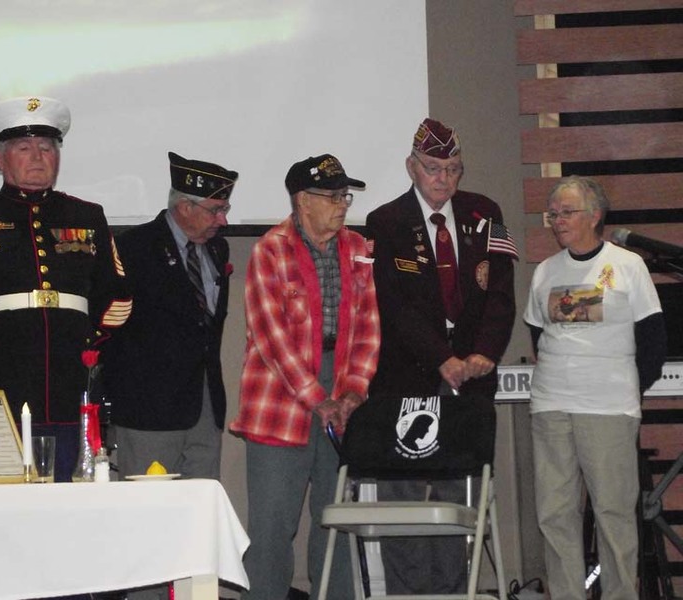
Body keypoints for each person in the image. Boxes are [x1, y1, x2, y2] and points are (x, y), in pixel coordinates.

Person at [0, 96, 132, 482]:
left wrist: (88, 345)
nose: (38, 157)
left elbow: (118, 298)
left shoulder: (87, 216)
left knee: (70, 501)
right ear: (0, 160)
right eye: (24, 148)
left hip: (71, 385)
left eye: (47, 148)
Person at [365, 118, 517, 594]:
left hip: (469, 379)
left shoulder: (484, 213)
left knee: (458, 494)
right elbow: (393, 305)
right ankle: (409, 594)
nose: (443, 180)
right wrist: (440, 359)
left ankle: (453, 592)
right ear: (412, 167)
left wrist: (483, 354)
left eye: (453, 170)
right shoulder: (385, 221)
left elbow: (501, 296)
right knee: (405, 496)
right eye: (433, 168)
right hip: (408, 376)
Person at [230, 154, 380, 600]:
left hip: (341, 391)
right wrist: (318, 398)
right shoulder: (269, 249)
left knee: (335, 521)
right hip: (281, 399)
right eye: (332, 196)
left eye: (344, 196)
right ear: (302, 201)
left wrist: (354, 391)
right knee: (273, 529)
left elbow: (369, 325)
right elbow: (271, 337)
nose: (342, 205)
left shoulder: (357, 248)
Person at [524, 175, 666, 600]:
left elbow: (653, 340)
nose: (558, 221)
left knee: (613, 513)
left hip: (608, 407)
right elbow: (536, 334)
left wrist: (624, 388)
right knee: (555, 513)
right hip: (551, 405)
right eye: (553, 214)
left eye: (567, 212)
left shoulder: (628, 265)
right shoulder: (546, 271)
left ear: (595, 215)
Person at [104, 151, 238, 483]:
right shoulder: (133, 248)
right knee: (148, 514)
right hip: (149, 410)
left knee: (201, 509)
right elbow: (110, 329)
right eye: (215, 210)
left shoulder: (217, 250)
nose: (222, 220)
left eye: (224, 209)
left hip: (205, 405)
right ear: (184, 207)